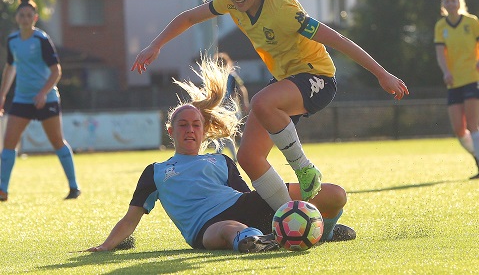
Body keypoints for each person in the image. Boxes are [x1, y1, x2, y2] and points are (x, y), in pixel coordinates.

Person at [131, 0, 408, 211]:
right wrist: (155, 45)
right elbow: (190, 18)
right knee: (248, 157)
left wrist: (382, 75)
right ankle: (291, 219)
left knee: (262, 102)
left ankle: (304, 169)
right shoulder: (230, 2)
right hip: (286, 82)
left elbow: (337, 40)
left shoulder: (284, 9)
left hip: (317, 76)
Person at [85, 57, 355, 253]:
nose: (190, 130)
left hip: (245, 206)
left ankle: (323, 233)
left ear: (204, 131)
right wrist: (106, 245)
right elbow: (130, 218)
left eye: (196, 125)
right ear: (170, 130)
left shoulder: (221, 161)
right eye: (183, 125)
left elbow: (247, 195)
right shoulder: (155, 171)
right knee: (230, 228)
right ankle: (257, 241)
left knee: (335, 195)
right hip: (207, 227)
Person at [0, 0, 81, 201]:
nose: (25, 19)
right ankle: (2, 190)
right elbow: (10, 68)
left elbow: (56, 71)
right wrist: (2, 96)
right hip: (22, 99)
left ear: (34, 18)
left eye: (29, 15)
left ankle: (74, 187)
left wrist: (43, 93)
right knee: (8, 144)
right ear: (17, 17)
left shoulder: (41, 39)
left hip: (47, 98)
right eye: (22, 15)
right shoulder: (12, 40)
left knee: (57, 142)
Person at [434, 0, 479, 180]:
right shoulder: (440, 26)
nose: (451, 3)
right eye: (447, 1)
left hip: (471, 78)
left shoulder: (472, 22)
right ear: (443, 5)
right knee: (459, 130)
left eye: (454, 0)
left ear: (460, 2)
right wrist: (446, 72)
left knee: (473, 125)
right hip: (453, 81)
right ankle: (477, 155)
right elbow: (440, 53)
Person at [215, 52, 250, 161]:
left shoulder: (232, 76)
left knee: (227, 131)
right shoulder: (216, 77)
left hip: (229, 108)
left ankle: (221, 153)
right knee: (223, 132)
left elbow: (241, 88)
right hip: (219, 108)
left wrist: (244, 103)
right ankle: (228, 154)